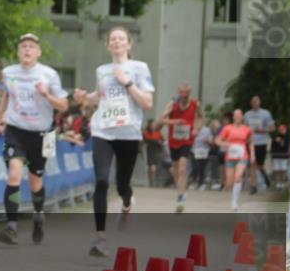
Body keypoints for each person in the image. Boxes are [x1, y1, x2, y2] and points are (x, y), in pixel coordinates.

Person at [73, 26, 154, 257]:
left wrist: (127, 82)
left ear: (129, 45)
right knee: (100, 181)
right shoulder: (102, 70)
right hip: (103, 131)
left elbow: (147, 103)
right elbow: (100, 97)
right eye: (112, 39)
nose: (117, 42)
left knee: (122, 185)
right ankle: (100, 237)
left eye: (121, 39)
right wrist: (84, 98)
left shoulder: (139, 68)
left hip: (128, 133)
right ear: (108, 45)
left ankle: (127, 203)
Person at [0, 33, 68, 246]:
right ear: (18, 51)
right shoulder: (8, 73)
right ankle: (11, 226)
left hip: (42, 133)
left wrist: (47, 95)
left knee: (35, 181)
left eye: (31, 46)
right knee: (14, 174)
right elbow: (6, 95)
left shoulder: (49, 75)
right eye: (23, 46)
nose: (27, 50)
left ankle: (38, 214)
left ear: (38, 52)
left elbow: (64, 105)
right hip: (16, 130)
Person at [156, 83, 203, 213]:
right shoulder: (172, 104)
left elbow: (200, 118)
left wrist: (196, 129)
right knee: (175, 169)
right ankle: (181, 190)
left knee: (182, 168)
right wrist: (174, 122)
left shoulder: (195, 104)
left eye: (186, 93)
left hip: (187, 140)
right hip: (173, 141)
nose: (184, 95)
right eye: (182, 93)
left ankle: (180, 197)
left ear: (189, 93)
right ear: (178, 92)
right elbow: (161, 119)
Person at [215, 109, 253, 210]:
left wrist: (253, 155)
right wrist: (225, 144)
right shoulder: (227, 128)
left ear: (242, 117)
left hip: (242, 156)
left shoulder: (247, 129)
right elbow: (217, 140)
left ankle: (234, 202)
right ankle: (234, 190)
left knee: (238, 177)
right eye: (235, 115)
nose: (237, 117)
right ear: (233, 117)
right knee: (229, 183)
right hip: (230, 157)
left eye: (239, 115)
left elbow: (250, 142)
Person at [244, 96, 275, 193]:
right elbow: (244, 128)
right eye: (253, 101)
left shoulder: (266, 113)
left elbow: (272, 128)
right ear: (251, 103)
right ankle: (254, 186)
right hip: (251, 143)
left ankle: (266, 178)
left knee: (260, 165)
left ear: (259, 102)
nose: (255, 103)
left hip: (262, 142)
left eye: (256, 101)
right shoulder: (247, 114)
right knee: (252, 164)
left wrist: (263, 130)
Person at [142, 119, 165, 187]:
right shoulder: (146, 133)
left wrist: (160, 142)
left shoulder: (158, 133)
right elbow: (146, 140)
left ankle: (151, 182)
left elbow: (162, 141)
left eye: (154, 125)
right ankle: (151, 182)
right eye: (152, 125)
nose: (153, 126)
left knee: (153, 168)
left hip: (157, 152)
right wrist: (156, 141)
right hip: (149, 151)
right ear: (149, 125)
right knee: (151, 168)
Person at [192, 121, 213, 190]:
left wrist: (206, 140)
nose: (197, 123)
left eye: (199, 122)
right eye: (196, 122)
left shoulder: (207, 130)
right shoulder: (192, 129)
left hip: (204, 150)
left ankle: (202, 183)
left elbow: (211, 141)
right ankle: (195, 182)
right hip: (194, 150)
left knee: (202, 167)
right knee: (195, 167)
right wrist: (192, 135)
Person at [270, 124, 290, 190]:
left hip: (284, 156)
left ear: (285, 130)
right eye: (281, 130)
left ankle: (282, 183)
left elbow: (286, 147)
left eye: (283, 130)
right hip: (276, 156)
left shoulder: (287, 137)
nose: (282, 131)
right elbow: (272, 147)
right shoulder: (275, 137)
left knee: (283, 170)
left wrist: (281, 142)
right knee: (276, 170)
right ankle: (278, 183)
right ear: (279, 130)